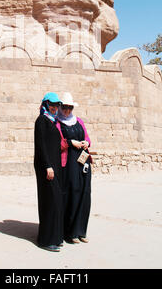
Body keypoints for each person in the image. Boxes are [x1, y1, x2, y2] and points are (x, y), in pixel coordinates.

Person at [57, 92, 91, 244]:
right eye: (64, 108)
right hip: (69, 164)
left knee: (84, 194)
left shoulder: (79, 121)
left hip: (83, 162)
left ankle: (80, 231)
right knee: (72, 194)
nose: (67, 111)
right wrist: (71, 143)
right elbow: (57, 143)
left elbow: (87, 137)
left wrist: (86, 143)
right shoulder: (57, 123)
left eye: (69, 108)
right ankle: (70, 232)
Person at [34, 92, 64, 252]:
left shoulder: (53, 121)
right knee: (49, 202)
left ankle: (56, 237)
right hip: (46, 168)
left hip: (55, 168)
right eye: (51, 105)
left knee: (57, 202)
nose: (54, 108)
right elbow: (41, 147)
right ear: (45, 104)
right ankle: (46, 240)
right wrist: (47, 166)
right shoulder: (41, 121)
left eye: (56, 105)